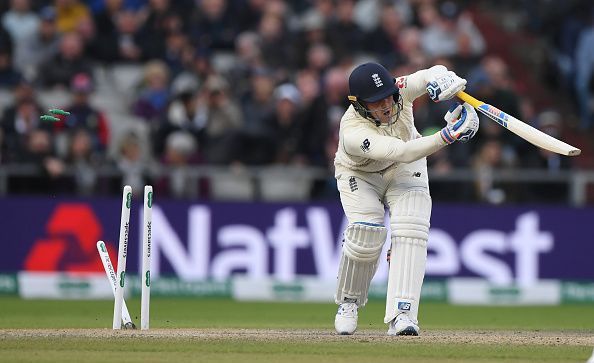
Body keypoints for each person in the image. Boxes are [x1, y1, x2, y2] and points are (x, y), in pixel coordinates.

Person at [333, 62, 479, 336]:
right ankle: (349, 303)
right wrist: (449, 134)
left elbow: (429, 73)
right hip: (361, 175)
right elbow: (402, 151)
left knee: (411, 230)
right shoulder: (353, 132)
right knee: (366, 234)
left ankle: (403, 314)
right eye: (376, 102)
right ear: (359, 104)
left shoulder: (399, 90)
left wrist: (446, 80)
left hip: (404, 170)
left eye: (388, 96)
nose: (387, 105)